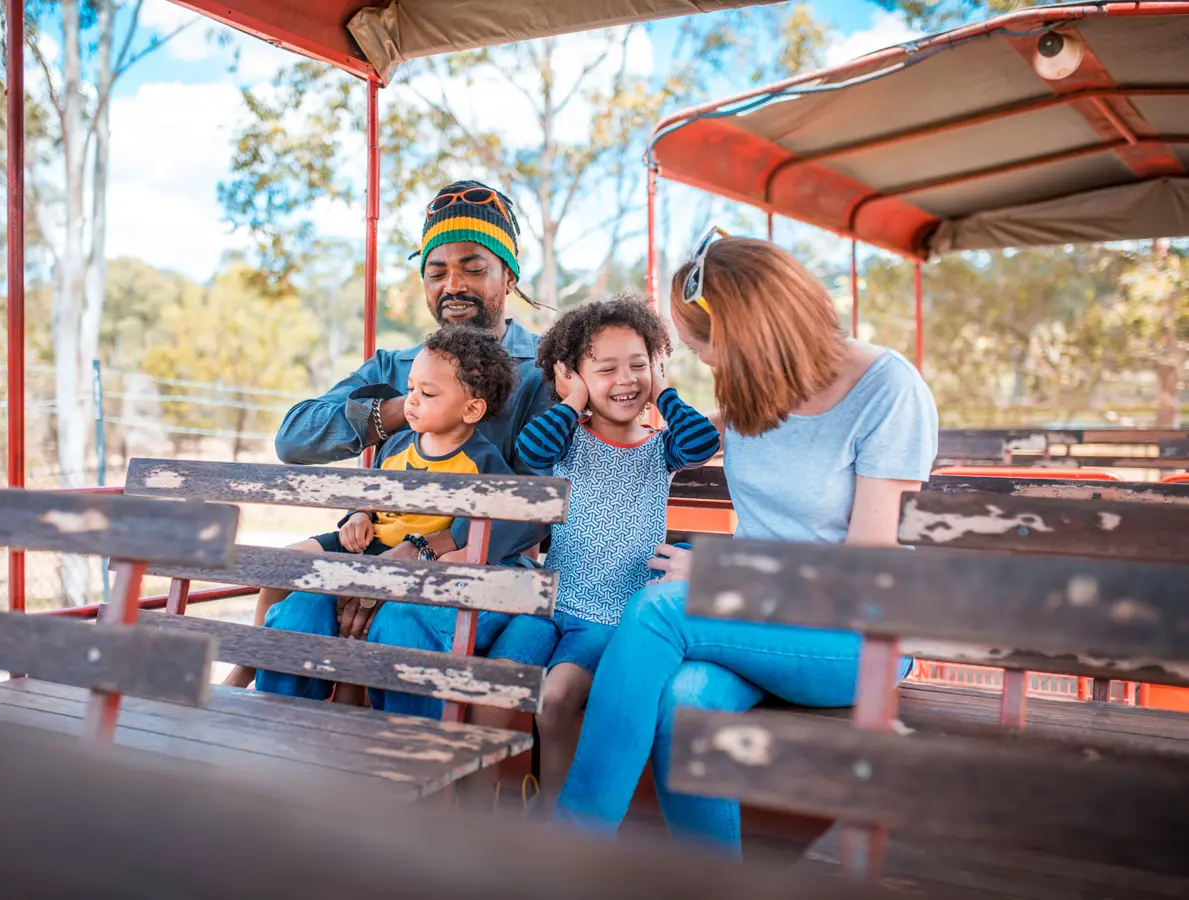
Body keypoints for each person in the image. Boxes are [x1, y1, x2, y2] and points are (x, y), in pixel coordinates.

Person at [552, 232, 939, 855]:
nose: (707, 365)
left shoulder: (887, 392)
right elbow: (681, 439)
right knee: (685, 704)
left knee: (655, 610)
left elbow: (866, 568)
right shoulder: (753, 384)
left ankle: (564, 852)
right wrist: (607, 413)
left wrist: (722, 576)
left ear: (754, 337)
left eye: (707, 349)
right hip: (755, 621)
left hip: (854, 635)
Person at [236, 181, 555, 718]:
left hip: (480, 565)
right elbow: (294, 438)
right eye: (437, 271)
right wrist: (400, 409)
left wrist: (412, 563)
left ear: (508, 276)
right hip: (377, 544)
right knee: (298, 617)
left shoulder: (541, 373)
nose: (453, 284)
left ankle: (407, 790)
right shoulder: (395, 369)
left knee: (398, 626)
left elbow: (533, 510)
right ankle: (281, 775)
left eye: (474, 267)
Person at [500, 295, 718, 806]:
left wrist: (661, 389)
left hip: (611, 617)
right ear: (573, 377)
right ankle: (481, 796)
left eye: (638, 365)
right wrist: (572, 401)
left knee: (555, 698)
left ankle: (557, 816)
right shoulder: (566, 440)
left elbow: (702, 439)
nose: (625, 379)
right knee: (499, 680)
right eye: (606, 369)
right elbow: (529, 452)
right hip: (551, 605)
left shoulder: (662, 448)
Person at [258, 325, 515, 662]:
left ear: (471, 410)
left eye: (428, 393)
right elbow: (372, 492)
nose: (411, 400)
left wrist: (444, 547)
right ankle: (250, 659)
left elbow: (513, 512)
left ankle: (347, 695)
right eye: (410, 388)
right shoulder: (395, 441)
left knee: (365, 622)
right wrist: (359, 515)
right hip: (369, 543)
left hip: (410, 557)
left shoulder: (482, 460)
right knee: (280, 565)